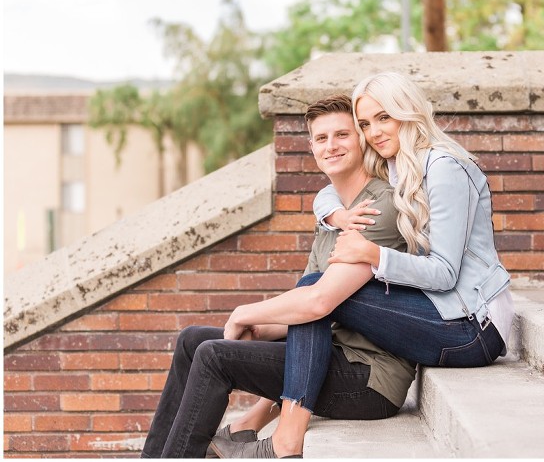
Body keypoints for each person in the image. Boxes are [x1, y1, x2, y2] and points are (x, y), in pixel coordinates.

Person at [210, 72, 514, 458]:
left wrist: (374, 255)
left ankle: (285, 438)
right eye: (366, 124)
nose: (374, 132)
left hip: (474, 328)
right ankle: (258, 422)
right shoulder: (399, 164)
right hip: (441, 311)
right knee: (320, 292)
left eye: (384, 118)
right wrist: (336, 215)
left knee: (319, 290)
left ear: (407, 111)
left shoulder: (444, 167)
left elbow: (445, 273)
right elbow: (329, 190)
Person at [140, 95, 417, 458]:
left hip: (367, 378)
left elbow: (317, 302)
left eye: (342, 135)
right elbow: (303, 312)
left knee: (213, 356)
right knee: (193, 340)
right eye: (321, 138)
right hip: (322, 355)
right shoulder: (333, 214)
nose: (331, 146)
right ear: (311, 147)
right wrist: (261, 330)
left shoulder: (376, 208)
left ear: (362, 140)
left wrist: (244, 314)